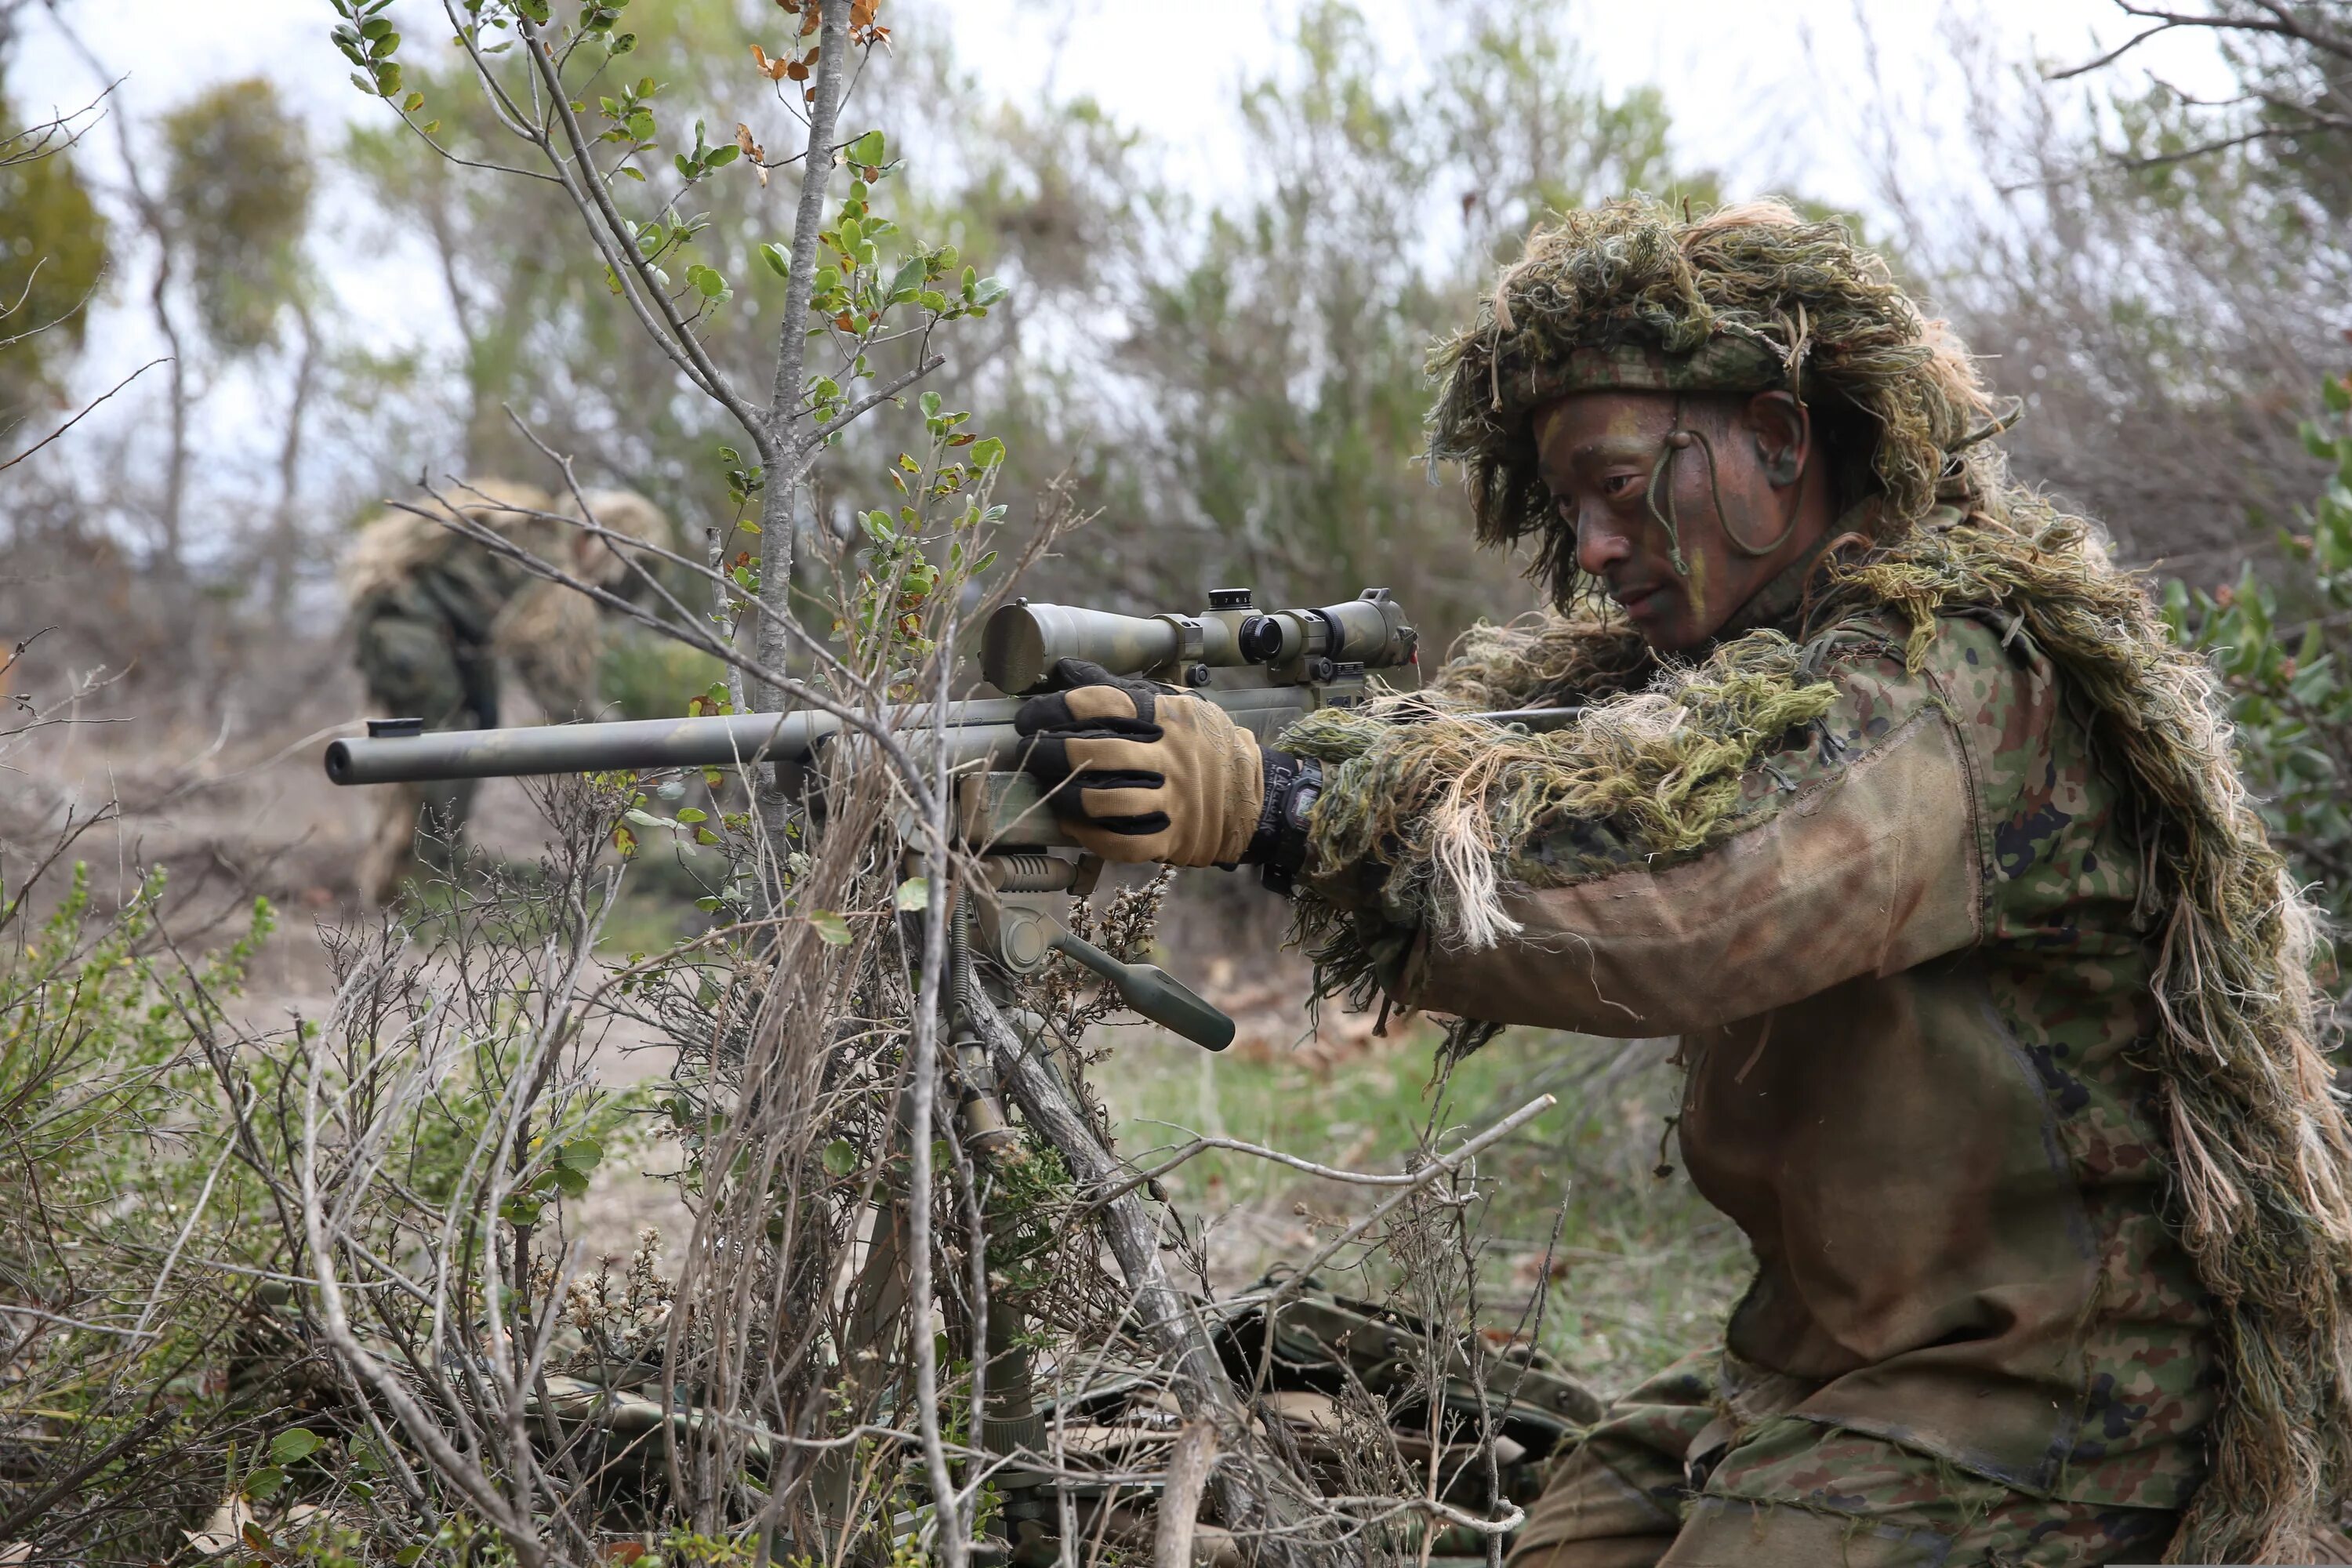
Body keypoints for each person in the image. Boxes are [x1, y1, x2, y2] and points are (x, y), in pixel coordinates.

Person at [1014, 200, 2352, 1564]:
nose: (1592, 547)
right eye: (1569, 508)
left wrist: (1281, 810)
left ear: (1779, 441)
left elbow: (1698, 903)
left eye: (1619, 483)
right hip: (1824, 1360)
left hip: (2053, 1392)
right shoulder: (1728, 686)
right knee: (1575, 1535)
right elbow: (1531, 788)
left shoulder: (1950, 678)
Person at [343, 479, 671, 904]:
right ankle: (419, 883)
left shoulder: (537, 536)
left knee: (473, 733)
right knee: (446, 742)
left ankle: (420, 873)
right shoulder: (548, 560)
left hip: (424, 621)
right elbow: (565, 697)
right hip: (405, 620)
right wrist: (631, 754)